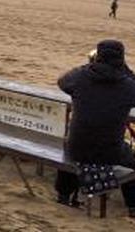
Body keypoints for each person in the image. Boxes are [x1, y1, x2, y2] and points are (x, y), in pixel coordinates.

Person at [55, 40, 135, 214]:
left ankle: (63, 195)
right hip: (109, 152)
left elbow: (62, 81)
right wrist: (126, 69)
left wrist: (91, 65)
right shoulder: (128, 85)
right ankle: (132, 205)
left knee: (73, 146)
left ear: (98, 57)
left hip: (78, 148)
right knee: (130, 158)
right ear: (120, 59)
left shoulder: (81, 77)